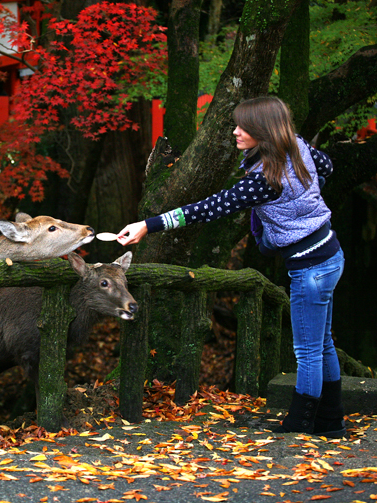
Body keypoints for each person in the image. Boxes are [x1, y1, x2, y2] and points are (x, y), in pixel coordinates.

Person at [116, 96, 346, 438]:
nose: (236, 131)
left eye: (244, 127)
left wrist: (149, 224)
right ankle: (330, 422)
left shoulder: (263, 180)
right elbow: (326, 169)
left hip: (309, 268)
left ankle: (300, 423)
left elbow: (209, 208)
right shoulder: (298, 148)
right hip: (330, 254)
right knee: (323, 343)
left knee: (308, 351)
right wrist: (304, 204)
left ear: (264, 132)